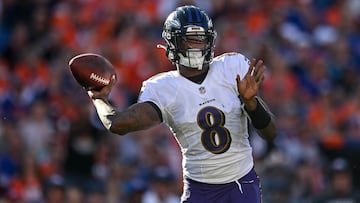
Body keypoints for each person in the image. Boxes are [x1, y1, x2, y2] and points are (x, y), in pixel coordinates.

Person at [88, 5, 276, 203]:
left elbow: (270, 133)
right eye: (189, 40)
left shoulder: (232, 68)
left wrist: (251, 103)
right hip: (199, 189)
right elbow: (116, 124)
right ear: (172, 43)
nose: (196, 46)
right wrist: (99, 99)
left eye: (200, 39)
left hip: (241, 184)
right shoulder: (163, 88)